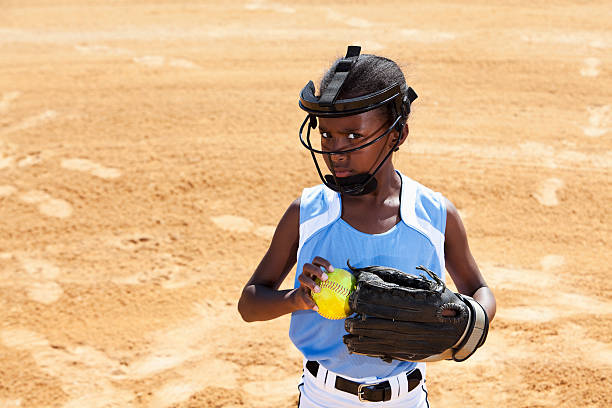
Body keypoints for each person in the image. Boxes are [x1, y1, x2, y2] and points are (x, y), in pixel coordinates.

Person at [238, 46, 496, 407]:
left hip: (406, 397)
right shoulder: (308, 212)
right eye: (326, 134)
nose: (335, 150)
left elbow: (478, 288)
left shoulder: (434, 215)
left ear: (397, 135)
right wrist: (294, 299)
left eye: (353, 136)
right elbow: (250, 303)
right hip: (323, 397)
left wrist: (468, 317)